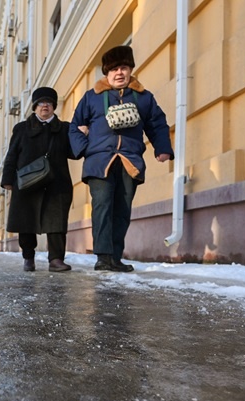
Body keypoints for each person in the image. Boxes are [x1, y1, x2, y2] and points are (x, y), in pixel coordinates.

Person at [69, 45, 174, 272]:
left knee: (122, 211)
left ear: (130, 70)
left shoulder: (144, 98)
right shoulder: (91, 98)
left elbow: (157, 123)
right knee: (102, 209)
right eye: (114, 69)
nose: (119, 73)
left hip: (129, 161)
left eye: (123, 68)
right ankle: (103, 258)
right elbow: (74, 127)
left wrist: (162, 148)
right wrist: (86, 149)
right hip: (100, 163)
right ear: (106, 73)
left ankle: (115, 258)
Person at [1, 87, 77, 272]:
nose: (45, 106)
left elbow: (74, 153)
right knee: (25, 222)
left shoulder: (65, 129)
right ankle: (28, 257)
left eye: (49, 103)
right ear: (35, 106)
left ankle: (56, 260)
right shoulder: (21, 129)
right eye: (41, 102)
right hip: (27, 182)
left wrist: (82, 135)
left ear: (54, 106)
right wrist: (8, 179)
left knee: (57, 222)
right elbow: (11, 155)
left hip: (56, 182)